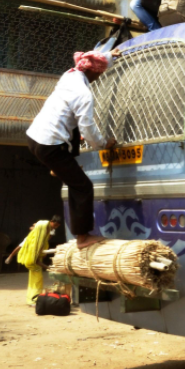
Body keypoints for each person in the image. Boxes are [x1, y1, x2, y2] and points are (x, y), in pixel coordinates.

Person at [27, 50, 120, 249]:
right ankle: (83, 237)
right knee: (83, 186)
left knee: (73, 132)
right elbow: (87, 127)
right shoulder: (84, 94)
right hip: (51, 146)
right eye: (100, 73)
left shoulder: (70, 75)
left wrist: (110, 56)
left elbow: (94, 59)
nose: (100, 76)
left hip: (35, 137)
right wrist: (103, 144)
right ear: (94, 73)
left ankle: (57, 168)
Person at [6, 216, 61, 305]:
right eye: (55, 224)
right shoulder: (37, 235)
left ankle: (32, 298)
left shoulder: (44, 238)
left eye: (57, 226)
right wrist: (48, 267)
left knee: (35, 280)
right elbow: (35, 261)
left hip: (37, 253)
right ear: (51, 221)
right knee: (37, 280)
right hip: (33, 255)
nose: (55, 227)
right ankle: (33, 299)